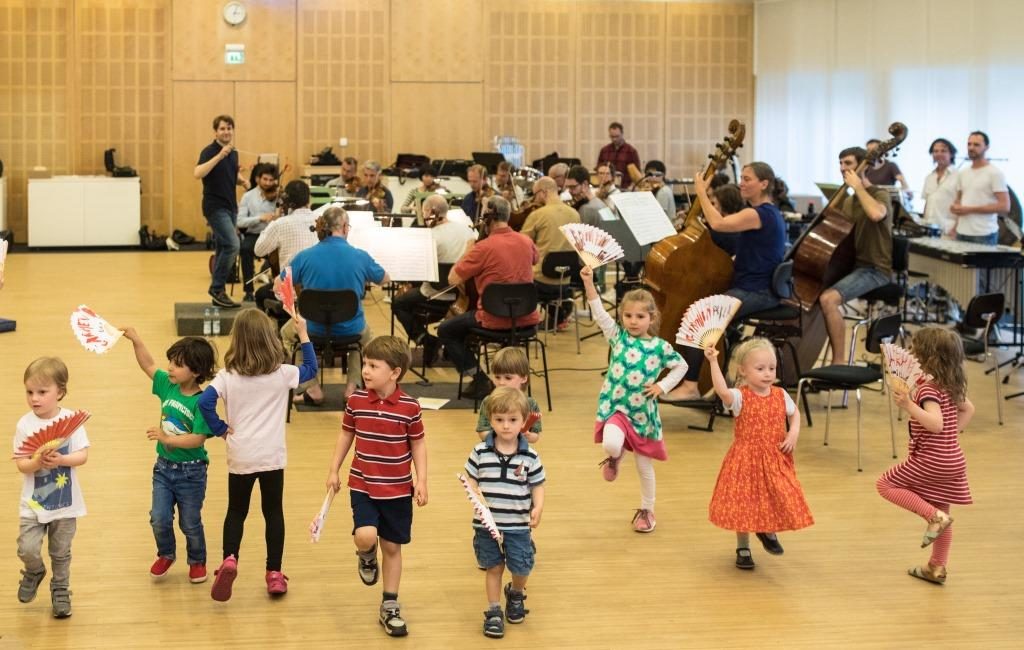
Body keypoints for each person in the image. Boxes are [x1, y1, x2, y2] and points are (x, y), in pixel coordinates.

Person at [198, 309, 317, 601]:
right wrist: (303, 334)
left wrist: (221, 429)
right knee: (273, 512)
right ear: (270, 339)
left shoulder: (227, 376)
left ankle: (229, 559)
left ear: (237, 340)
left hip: (241, 454)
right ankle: (274, 573)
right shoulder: (282, 374)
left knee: (236, 511)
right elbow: (311, 370)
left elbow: (204, 402)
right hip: (271, 455)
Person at [325, 336, 428, 638]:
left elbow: (418, 444)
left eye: (373, 366)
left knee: (393, 547)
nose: (366, 371)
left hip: (398, 489)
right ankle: (366, 554)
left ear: (394, 372)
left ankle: (390, 603)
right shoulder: (356, 401)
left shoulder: (410, 407)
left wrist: (422, 480)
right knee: (366, 535)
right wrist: (334, 470)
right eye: (365, 364)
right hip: (364, 485)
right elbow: (346, 436)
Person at [664, 162, 786, 401]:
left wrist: (701, 192)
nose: (741, 182)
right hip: (754, 287)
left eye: (747, 178)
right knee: (702, 314)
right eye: (741, 177)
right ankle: (724, 384)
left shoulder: (759, 213)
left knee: (698, 317)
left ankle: (691, 386)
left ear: (764, 184)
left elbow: (718, 224)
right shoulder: (764, 213)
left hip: (758, 291)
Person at [580, 265, 686, 533]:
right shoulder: (618, 338)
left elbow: (681, 366)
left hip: (642, 415)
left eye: (640, 316)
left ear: (652, 317)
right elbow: (599, 312)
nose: (633, 321)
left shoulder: (660, 347)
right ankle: (615, 457)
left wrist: (662, 386)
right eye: (627, 315)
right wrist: (589, 283)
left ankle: (647, 510)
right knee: (611, 444)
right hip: (615, 407)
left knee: (643, 465)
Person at [876, 327, 975, 585]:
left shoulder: (927, 390)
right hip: (952, 460)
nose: (909, 353)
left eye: (913, 349)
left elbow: (936, 424)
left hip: (930, 460)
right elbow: (969, 410)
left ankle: (932, 517)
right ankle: (936, 567)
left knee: (885, 484)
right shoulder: (950, 386)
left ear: (926, 357)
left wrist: (909, 405)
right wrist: (951, 436)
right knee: (942, 507)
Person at [704, 339, 813, 570]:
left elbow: (795, 414)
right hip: (745, 459)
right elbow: (722, 392)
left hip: (774, 457)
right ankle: (743, 547)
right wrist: (713, 361)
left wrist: (793, 433)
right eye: (760, 368)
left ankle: (767, 530)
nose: (767, 374)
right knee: (743, 502)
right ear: (743, 370)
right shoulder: (740, 397)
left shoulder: (780, 394)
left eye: (771, 368)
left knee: (775, 494)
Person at [121, 329, 218, 584]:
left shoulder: (202, 401)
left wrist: (167, 439)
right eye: (171, 362)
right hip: (163, 469)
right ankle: (166, 554)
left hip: (192, 472)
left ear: (196, 371)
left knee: (190, 522)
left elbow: (198, 438)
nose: (170, 368)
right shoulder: (168, 385)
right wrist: (137, 340)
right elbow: (149, 365)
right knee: (159, 517)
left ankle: (197, 561)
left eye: (178, 364)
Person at [464, 386, 545, 639]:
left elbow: (537, 484)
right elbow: (470, 479)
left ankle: (516, 592)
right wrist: (475, 495)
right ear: (491, 419)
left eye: (512, 420)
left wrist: (539, 507)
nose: (506, 426)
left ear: (523, 421)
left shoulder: (530, 455)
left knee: (521, 566)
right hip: (487, 526)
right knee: (494, 567)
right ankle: (494, 610)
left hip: (518, 525)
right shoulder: (480, 452)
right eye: (499, 420)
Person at [286, 207, 389, 405]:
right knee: (366, 338)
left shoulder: (305, 256)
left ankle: (311, 387)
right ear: (343, 227)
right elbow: (385, 279)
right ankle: (353, 387)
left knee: (288, 335)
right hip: (351, 328)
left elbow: (279, 284)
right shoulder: (360, 256)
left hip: (312, 329)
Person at [440, 196, 539, 400]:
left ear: (487, 217)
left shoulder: (483, 248)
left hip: (493, 319)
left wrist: (468, 250)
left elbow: (453, 278)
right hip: (526, 318)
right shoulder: (526, 240)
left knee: (446, 330)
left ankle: (479, 378)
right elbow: (535, 259)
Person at [14, 357, 89, 618]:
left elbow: (82, 456)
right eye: (30, 392)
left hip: (65, 504)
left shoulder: (71, 421)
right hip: (32, 503)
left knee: (60, 552)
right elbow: (21, 465)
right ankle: (34, 570)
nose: (34, 398)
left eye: (42, 392)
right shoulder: (25, 425)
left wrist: (62, 459)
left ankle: (60, 589)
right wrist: (35, 461)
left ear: (60, 392)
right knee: (27, 548)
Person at [818, 147, 892, 364]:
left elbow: (876, 214)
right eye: (840, 164)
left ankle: (838, 362)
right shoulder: (850, 200)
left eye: (848, 163)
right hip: (853, 265)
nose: (843, 168)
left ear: (864, 165)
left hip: (875, 268)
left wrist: (858, 187)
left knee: (828, 300)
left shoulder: (879, 194)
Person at [391, 195, 475, 365]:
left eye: (424, 212)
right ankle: (453, 344)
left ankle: (425, 340)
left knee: (398, 303)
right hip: (463, 297)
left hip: (436, 295)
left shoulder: (430, 236)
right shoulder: (467, 231)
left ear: (430, 211)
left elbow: (418, 270)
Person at [194, 114, 250, 309]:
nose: (226, 132)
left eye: (229, 128)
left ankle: (218, 294)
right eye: (222, 129)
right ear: (215, 132)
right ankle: (217, 288)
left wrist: (241, 180)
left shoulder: (233, 153)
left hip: (230, 206)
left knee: (223, 247)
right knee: (233, 245)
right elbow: (198, 173)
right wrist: (219, 156)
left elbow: (230, 173)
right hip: (214, 207)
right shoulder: (210, 151)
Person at [252, 180, 319, 317]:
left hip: (291, 294)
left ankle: (275, 332)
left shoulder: (280, 224)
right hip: (319, 289)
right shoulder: (322, 220)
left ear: (286, 200)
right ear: (308, 199)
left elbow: (258, 250)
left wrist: (274, 221)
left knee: (260, 294)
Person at [521, 176, 580, 330]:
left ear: (543, 192)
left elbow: (522, 244)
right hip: (566, 280)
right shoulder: (575, 214)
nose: (535, 199)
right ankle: (560, 317)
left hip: (541, 282)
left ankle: (521, 322)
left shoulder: (538, 215)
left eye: (535, 194)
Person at [951, 131, 1010, 244]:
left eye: (976, 145)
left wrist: (970, 209)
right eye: (969, 144)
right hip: (961, 232)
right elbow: (959, 200)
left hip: (983, 234)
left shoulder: (995, 173)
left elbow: (1005, 206)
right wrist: (955, 209)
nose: (971, 147)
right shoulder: (962, 173)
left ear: (986, 147)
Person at [475, 347, 542, 444]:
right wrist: (502, 435)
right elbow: (482, 432)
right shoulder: (488, 401)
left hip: (520, 454)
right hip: (492, 452)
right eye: (497, 377)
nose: (501, 382)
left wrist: (528, 435)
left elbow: (535, 436)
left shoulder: (531, 403)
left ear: (523, 378)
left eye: (508, 378)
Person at [236, 163, 281, 302]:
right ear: (257, 179)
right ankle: (248, 291)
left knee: (282, 251)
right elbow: (240, 221)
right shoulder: (248, 197)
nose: (268, 183)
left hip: (273, 235)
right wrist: (259, 218)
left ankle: (277, 288)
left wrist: (279, 215)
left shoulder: (279, 196)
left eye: (271, 180)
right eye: (265, 179)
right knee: (245, 249)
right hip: (254, 234)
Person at [921, 138, 959, 237]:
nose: (939, 154)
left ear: (952, 154)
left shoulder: (959, 176)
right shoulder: (929, 177)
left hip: (948, 230)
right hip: (929, 229)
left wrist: (955, 230)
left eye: (943, 151)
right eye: (935, 151)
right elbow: (927, 203)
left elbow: (963, 204)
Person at [597, 122, 641, 190]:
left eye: (617, 136)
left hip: (625, 188)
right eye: (612, 136)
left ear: (622, 134)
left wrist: (632, 187)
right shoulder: (604, 150)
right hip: (607, 188)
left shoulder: (631, 151)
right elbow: (599, 168)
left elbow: (636, 172)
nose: (614, 139)